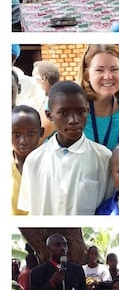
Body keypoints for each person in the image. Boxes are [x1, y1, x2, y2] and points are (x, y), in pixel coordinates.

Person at [17, 81, 113, 215]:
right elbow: (30, 211)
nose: (73, 120)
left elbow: (108, 208)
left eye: (80, 112)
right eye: (64, 113)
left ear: (88, 111)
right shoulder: (34, 160)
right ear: (49, 115)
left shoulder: (104, 158)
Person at [77, 44, 119, 151]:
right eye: (99, 70)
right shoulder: (67, 102)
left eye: (114, 69)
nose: (108, 76)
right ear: (87, 75)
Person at [12, 106, 43, 215]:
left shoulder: (51, 166)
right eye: (16, 134)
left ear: (41, 133)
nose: (23, 141)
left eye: (31, 133)